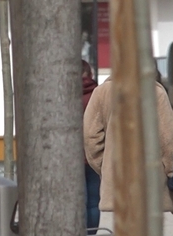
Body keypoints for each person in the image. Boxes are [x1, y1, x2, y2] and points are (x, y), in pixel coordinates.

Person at [84, 72, 173, 214]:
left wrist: (106, 167)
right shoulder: (156, 93)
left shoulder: (101, 92)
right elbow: (169, 140)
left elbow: (90, 138)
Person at [80, 60, 100, 230]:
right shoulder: (97, 94)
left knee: (79, 200)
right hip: (95, 153)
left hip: (71, 156)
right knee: (93, 202)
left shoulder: (65, 95)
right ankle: (92, 232)